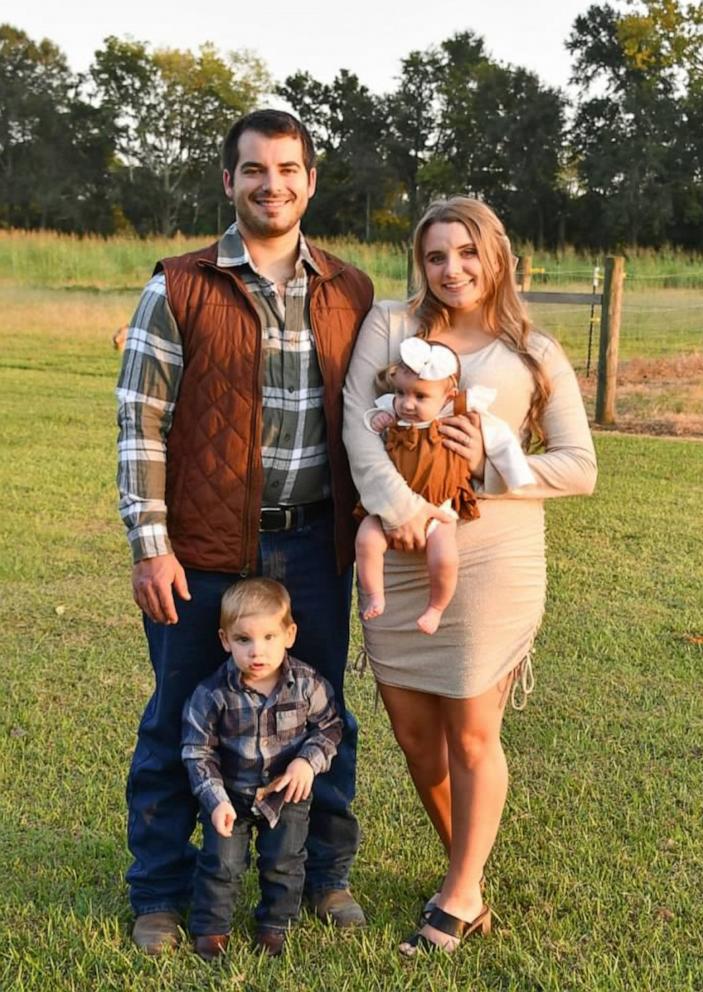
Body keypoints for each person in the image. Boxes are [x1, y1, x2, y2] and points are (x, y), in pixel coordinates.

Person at [116, 108, 374, 954]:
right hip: (203, 549)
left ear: (309, 180)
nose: (274, 184)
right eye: (255, 170)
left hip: (314, 544)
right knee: (177, 718)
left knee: (319, 713)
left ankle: (322, 877)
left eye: (289, 169)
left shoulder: (350, 289)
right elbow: (139, 423)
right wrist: (150, 544)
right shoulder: (179, 284)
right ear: (229, 181)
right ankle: (159, 892)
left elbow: (374, 417)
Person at [343, 196, 597, 954]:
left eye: (466, 253)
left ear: (495, 258)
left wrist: (490, 459)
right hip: (394, 551)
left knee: (472, 732)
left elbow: (579, 468)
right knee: (416, 739)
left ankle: (456, 895)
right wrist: (398, 508)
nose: (450, 269)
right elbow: (358, 422)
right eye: (433, 255)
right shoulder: (390, 328)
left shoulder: (533, 352)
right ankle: (471, 873)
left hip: (490, 557)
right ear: (418, 264)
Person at [182, 579, 342, 959]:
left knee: (284, 861)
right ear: (224, 640)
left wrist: (307, 761)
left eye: (270, 637)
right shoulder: (212, 694)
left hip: (287, 793)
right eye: (244, 640)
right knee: (221, 862)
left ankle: (274, 926)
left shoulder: (306, 684)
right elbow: (196, 750)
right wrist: (215, 798)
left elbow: (331, 726)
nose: (258, 651)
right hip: (230, 795)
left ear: (290, 634)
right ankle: (212, 929)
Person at [356, 336, 535, 634]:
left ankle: (435, 608)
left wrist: (513, 475)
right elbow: (365, 426)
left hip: (439, 508)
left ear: (449, 396)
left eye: (420, 397)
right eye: (401, 392)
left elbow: (499, 436)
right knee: (366, 540)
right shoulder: (393, 414)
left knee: (445, 558)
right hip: (390, 506)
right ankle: (375, 594)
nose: (407, 403)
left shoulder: (456, 412)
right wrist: (378, 418)